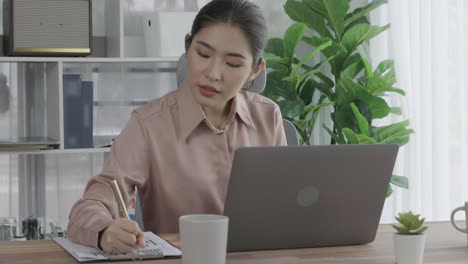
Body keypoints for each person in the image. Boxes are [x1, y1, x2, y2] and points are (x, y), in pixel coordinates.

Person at [67, 0, 287, 254]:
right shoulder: (148, 125)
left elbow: (281, 204)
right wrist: (104, 230)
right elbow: (93, 202)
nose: (213, 73)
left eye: (233, 64)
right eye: (203, 54)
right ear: (187, 46)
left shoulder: (268, 116)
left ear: (255, 70)